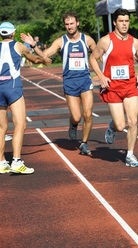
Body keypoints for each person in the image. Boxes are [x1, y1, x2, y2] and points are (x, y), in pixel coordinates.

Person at [21, 11, 97, 155]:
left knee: (88, 115)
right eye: (67, 24)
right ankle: (73, 124)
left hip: (85, 81)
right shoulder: (60, 41)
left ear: (78, 23)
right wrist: (34, 45)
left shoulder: (87, 40)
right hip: (70, 82)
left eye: (72, 23)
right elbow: (45, 55)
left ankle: (84, 143)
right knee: (77, 117)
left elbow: (99, 53)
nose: (69, 26)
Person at [89, 8, 138, 167]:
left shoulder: (135, 42)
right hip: (112, 87)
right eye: (121, 21)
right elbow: (93, 59)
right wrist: (101, 76)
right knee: (121, 125)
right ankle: (112, 127)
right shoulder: (106, 41)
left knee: (133, 121)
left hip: (129, 86)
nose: (124, 24)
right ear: (115, 22)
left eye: (126, 21)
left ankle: (130, 155)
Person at [0, 22, 51, 174]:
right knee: (20, 124)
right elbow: (35, 59)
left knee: (1, 128)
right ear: (13, 33)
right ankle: (16, 161)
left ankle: (2, 162)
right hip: (13, 88)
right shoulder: (18, 46)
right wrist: (43, 60)